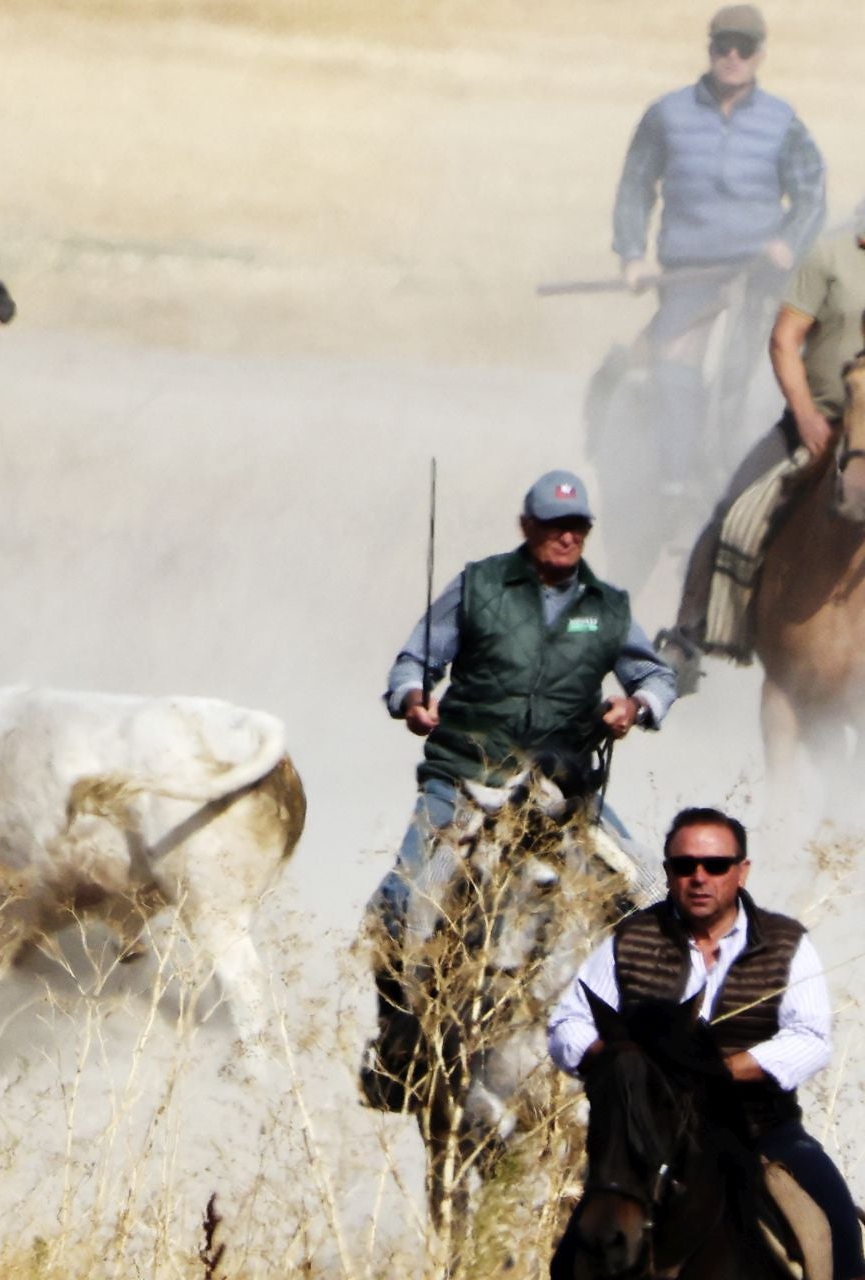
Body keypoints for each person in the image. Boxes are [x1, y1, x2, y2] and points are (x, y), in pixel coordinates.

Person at [358, 469, 679, 1111]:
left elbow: (656, 674)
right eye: (554, 526)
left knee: (654, 896)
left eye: (577, 526)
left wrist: (637, 705)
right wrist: (412, 698)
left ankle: (665, 1050)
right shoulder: (479, 585)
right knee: (396, 904)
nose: (566, 537)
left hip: (562, 787)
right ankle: (397, 1052)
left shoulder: (607, 606)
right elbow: (414, 659)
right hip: (468, 778)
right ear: (526, 526)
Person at [548, 808, 863, 1280]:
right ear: (668, 872)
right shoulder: (630, 940)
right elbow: (568, 1022)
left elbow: (810, 1037)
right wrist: (613, 1059)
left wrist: (722, 1069)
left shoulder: (785, 944)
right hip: (646, 1137)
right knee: (573, 1256)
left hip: (760, 1131)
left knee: (839, 1231)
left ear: (741, 871)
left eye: (715, 866)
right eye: (684, 866)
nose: (699, 877)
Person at [612, 4, 825, 508]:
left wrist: (789, 242)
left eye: (743, 47)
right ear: (709, 50)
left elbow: (812, 195)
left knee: (759, 377)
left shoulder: (783, 121)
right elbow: (635, 186)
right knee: (672, 368)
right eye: (722, 46)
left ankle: (756, 486)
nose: (732, 56)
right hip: (690, 275)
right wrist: (632, 254)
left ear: (759, 55)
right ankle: (674, 484)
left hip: (760, 278)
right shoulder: (667, 115)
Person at [656, 204, 865, 688]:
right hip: (817, 426)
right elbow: (784, 341)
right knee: (734, 511)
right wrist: (806, 414)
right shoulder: (829, 257)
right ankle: (686, 640)